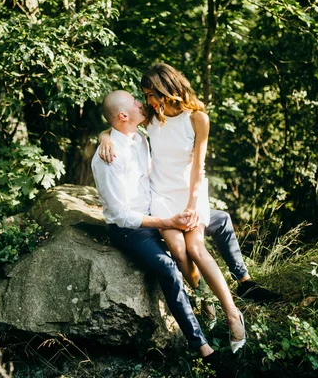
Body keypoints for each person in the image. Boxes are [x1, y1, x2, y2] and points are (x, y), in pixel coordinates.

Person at [97, 64, 245, 353]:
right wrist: (104, 135)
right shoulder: (154, 116)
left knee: (197, 249)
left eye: (151, 94)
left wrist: (192, 206)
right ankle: (203, 295)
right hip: (161, 195)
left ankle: (232, 313)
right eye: (145, 97)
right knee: (177, 250)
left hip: (191, 193)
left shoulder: (198, 119)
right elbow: (119, 122)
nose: (148, 101)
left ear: (167, 88)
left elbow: (199, 168)